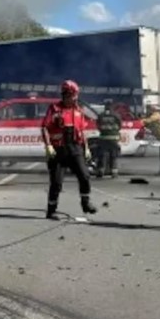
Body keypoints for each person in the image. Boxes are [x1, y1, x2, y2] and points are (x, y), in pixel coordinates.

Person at [41, 80, 97, 220]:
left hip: (75, 148)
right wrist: (48, 145)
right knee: (56, 182)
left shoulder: (78, 110)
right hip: (58, 150)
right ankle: (51, 211)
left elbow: (82, 131)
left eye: (76, 96)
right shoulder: (54, 109)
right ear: (65, 95)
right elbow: (44, 127)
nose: (75, 98)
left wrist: (86, 148)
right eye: (72, 96)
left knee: (84, 176)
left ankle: (86, 203)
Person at [95, 99, 122, 178]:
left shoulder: (101, 115)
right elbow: (120, 125)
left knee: (102, 155)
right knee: (113, 155)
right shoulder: (116, 115)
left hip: (103, 138)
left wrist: (103, 131)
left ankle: (101, 171)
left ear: (105, 106)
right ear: (112, 106)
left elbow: (98, 125)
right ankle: (114, 172)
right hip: (113, 138)